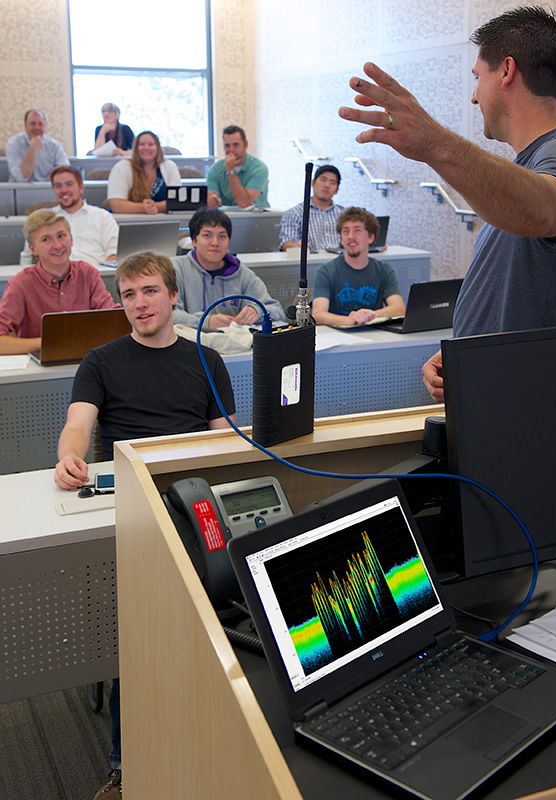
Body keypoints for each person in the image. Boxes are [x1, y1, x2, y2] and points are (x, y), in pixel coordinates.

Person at [338, 7, 556, 401]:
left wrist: (434, 143)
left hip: (534, 406)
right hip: (497, 392)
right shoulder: (531, 165)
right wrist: (464, 351)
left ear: (506, 71)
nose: (474, 97)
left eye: (477, 77)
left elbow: (542, 210)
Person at [54, 251, 235, 800]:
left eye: (150, 291)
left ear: (174, 296)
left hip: (194, 500)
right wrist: (68, 456)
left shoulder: (207, 359)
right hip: (132, 502)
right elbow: (78, 425)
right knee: (136, 629)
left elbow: (225, 439)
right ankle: (125, 765)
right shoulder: (101, 362)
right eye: (129, 295)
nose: (139, 304)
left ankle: (217, 740)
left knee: (222, 613)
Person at [0, 209, 116, 355]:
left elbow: (112, 321)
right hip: (40, 361)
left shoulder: (87, 274)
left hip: (86, 357)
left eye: (61, 236)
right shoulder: (20, 284)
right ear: (33, 249)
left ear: (71, 239)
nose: (57, 245)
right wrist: (49, 342)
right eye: (46, 239)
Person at [172, 207, 285, 327]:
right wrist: (206, 322)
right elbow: (168, 315)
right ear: (194, 240)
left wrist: (257, 312)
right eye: (207, 235)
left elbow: (277, 311)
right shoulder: (176, 269)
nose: (215, 243)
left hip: (232, 338)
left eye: (222, 236)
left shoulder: (242, 273)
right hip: (190, 337)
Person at [311, 207, 405, 326]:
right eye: (345, 231)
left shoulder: (384, 270)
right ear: (341, 239)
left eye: (357, 230)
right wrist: (350, 320)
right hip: (337, 333)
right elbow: (318, 315)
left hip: (373, 333)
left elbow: (399, 309)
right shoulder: (326, 271)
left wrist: (368, 315)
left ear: (371, 237)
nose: (350, 236)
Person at [19, 166, 119, 266]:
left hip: (95, 272)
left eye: (69, 184)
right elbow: (27, 256)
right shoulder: (43, 219)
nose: (64, 190)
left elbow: (115, 254)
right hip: (53, 274)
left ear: (81, 187)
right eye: (58, 186)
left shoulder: (103, 217)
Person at [107, 130, 181, 214]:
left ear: (158, 148)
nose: (146, 148)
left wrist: (152, 207)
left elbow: (176, 201)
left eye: (151, 144)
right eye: (142, 144)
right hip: (128, 220)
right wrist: (143, 208)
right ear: (135, 148)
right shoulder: (121, 167)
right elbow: (116, 205)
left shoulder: (169, 166)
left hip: (163, 220)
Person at [279, 165, 344, 252]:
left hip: (340, 259)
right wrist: (296, 246)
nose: (327, 185)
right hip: (310, 259)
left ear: (337, 190)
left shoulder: (343, 213)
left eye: (333, 182)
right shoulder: (295, 213)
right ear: (313, 183)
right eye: (323, 180)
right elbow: (285, 244)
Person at [206, 125, 269, 209]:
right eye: (227, 145)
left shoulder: (259, 168)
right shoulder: (215, 169)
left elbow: (243, 203)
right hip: (226, 216)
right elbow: (211, 199)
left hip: (255, 215)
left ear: (245, 145)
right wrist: (213, 202)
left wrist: (231, 171)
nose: (231, 150)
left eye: (236, 145)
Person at [5, 109, 70, 182]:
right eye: (33, 123)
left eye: (40, 124)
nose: (37, 127)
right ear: (25, 126)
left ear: (45, 126)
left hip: (48, 187)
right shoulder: (13, 144)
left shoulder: (55, 145)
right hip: (21, 188)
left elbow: (65, 173)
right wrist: (33, 148)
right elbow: (22, 177)